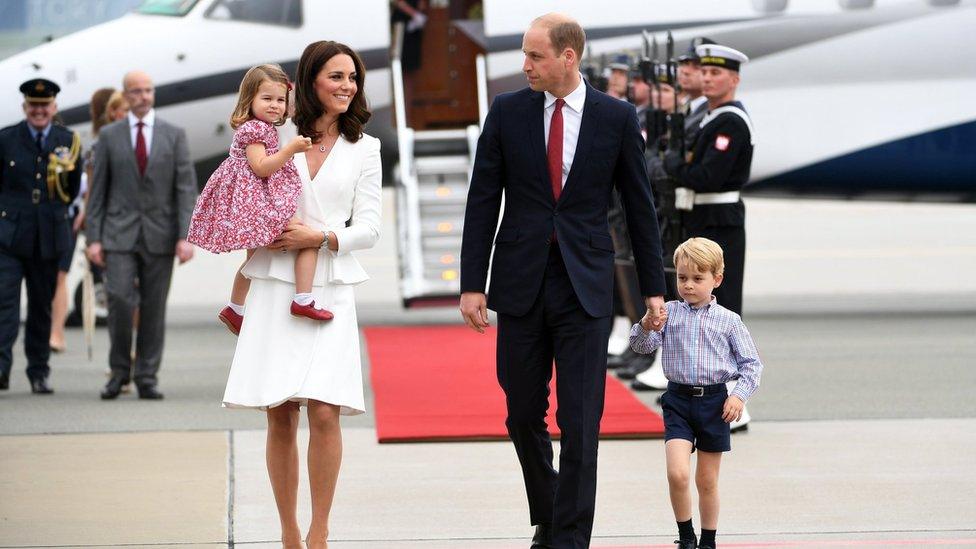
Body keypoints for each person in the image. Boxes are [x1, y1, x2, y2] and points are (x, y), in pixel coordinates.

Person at [459, 14, 667, 548]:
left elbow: (640, 208)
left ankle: (570, 538)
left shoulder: (615, 117)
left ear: (567, 57)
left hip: (585, 286)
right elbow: (483, 200)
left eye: (534, 56)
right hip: (521, 282)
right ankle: (550, 509)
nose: (524, 65)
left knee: (580, 420)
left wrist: (652, 290)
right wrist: (471, 282)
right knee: (522, 410)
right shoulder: (507, 112)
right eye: (525, 55)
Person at [221, 41, 381, 549]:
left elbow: (371, 227)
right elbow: (242, 193)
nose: (347, 86)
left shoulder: (367, 148)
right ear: (310, 81)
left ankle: (319, 531)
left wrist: (324, 237)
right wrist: (257, 230)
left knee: (327, 410)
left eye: (352, 78)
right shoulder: (273, 133)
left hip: (329, 285)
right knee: (280, 411)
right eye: (336, 76)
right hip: (273, 284)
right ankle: (289, 531)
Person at [629, 237, 763, 549]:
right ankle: (686, 536)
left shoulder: (729, 321)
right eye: (682, 278)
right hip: (677, 401)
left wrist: (738, 396)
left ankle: (709, 540)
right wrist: (648, 325)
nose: (688, 285)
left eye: (697, 279)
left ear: (716, 279)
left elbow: (752, 364)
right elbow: (641, 346)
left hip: (715, 402)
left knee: (706, 480)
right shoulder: (668, 313)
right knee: (677, 474)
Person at [186, 63, 331, 335]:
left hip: (254, 198)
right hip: (256, 201)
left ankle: (235, 308)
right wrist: (292, 148)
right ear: (249, 99)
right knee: (309, 238)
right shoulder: (256, 130)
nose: (275, 105)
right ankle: (303, 299)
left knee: (254, 260)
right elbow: (261, 167)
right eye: (267, 99)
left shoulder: (262, 126)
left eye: (280, 100)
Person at [85, 70, 198, 400]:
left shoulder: (174, 135)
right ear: (125, 95)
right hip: (117, 234)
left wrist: (185, 236)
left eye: (148, 90)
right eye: (136, 91)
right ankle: (119, 372)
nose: (143, 96)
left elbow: (185, 189)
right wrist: (94, 238)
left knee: (153, 307)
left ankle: (147, 375)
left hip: (161, 235)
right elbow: (98, 191)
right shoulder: (109, 136)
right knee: (119, 300)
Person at [0, 78, 83, 394]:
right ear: (25, 107)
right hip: (8, 237)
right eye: (33, 106)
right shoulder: (7, 139)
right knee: (5, 304)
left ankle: (38, 371)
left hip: (48, 236)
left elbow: (72, 190)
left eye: (44, 106)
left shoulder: (67, 141)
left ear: (54, 108)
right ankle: (2, 367)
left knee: (40, 308)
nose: (39, 111)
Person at [664, 44, 753, 319]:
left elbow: (707, 177)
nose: (707, 78)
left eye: (716, 72)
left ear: (734, 80)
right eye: (704, 72)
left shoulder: (730, 122)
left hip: (719, 221)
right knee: (698, 305)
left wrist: (673, 164)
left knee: (720, 305)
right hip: (703, 218)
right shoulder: (712, 118)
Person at [49, 87, 122, 352]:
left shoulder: (96, 145)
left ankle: (122, 353)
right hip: (116, 223)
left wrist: (88, 220)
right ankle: (127, 352)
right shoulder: (99, 146)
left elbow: (91, 193)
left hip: (102, 222)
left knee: (61, 275)